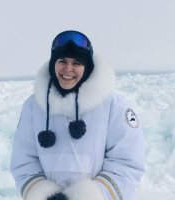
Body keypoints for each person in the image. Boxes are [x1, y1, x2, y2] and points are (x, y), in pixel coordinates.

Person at [10, 30, 145, 200]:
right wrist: (44, 194)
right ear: (53, 64)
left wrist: (94, 195)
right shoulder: (33, 105)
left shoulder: (113, 105)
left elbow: (128, 160)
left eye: (77, 62)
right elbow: (23, 160)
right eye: (62, 61)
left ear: (87, 67)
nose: (68, 69)